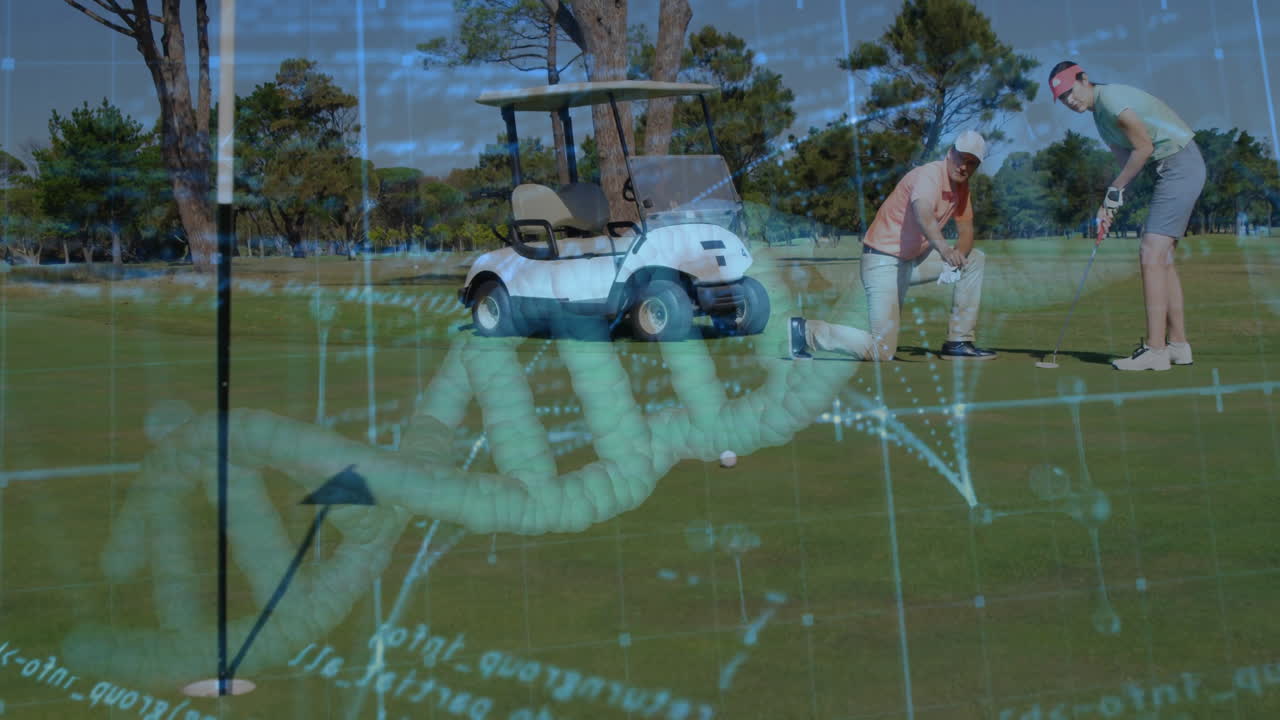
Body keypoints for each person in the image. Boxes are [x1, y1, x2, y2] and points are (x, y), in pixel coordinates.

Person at [1049, 60, 1206, 371]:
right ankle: (1177, 345)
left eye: (1071, 91)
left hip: (1180, 165)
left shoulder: (1110, 100)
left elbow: (1144, 148)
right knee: (1162, 258)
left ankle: (1155, 349)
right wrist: (1109, 206)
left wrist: (1114, 191)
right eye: (1063, 98)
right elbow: (1127, 166)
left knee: (1150, 251)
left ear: (1084, 79)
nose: (1070, 101)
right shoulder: (1100, 118)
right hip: (1175, 169)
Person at [789, 130, 997, 362]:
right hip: (882, 262)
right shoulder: (930, 175)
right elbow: (923, 215)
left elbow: (967, 231)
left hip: (911, 262)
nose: (964, 167)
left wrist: (959, 254)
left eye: (972, 164)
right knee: (883, 350)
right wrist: (945, 250)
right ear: (950, 153)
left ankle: (958, 342)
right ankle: (804, 331)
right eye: (962, 159)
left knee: (974, 258)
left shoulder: (962, 188)